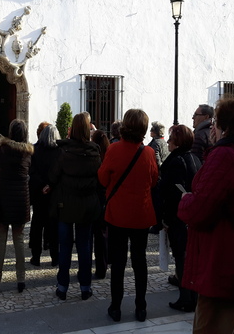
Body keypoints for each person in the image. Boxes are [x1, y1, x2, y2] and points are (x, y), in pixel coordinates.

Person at [178, 97, 234, 334]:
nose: (212, 128)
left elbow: (200, 211)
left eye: (216, 123)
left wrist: (186, 199)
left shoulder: (224, 155)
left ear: (226, 127)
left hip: (223, 264)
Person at [98, 109, 158, 323]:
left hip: (118, 214)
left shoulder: (114, 149)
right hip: (141, 214)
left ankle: (116, 307)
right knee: (140, 261)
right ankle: (141, 307)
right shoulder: (148, 152)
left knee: (118, 262)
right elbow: (154, 180)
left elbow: (103, 179)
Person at [50, 113, 101, 301]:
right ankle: (85, 287)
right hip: (86, 204)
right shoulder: (94, 151)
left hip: (66, 203)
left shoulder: (64, 151)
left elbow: (54, 176)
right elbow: (99, 176)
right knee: (84, 246)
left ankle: (62, 287)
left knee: (65, 247)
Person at [159, 124, 201, 312]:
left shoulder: (176, 162)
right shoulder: (195, 158)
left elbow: (169, 193)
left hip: (179, 216)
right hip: (192, 215)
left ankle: (186, 298)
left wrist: (165, 219)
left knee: (181, 257)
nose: (168, 142)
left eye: (171, 139)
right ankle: (193, 296)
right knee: (190, 256)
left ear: (177, 142)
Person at [0, 119, 33, 294]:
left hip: (2, 197)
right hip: (21, 199)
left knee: (1, 239)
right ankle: (21, 279)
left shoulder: (2, 148)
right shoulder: (28, 152)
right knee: (19, 239)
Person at [29, 124, 61, 267]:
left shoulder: (35, 150)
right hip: (54, 193)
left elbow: (32, 172)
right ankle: (55, 257)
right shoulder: (59, 151)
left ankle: (36, 256)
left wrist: (42, 185)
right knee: (53, 226)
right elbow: (59, 172)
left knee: (37, 224)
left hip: (38, 192)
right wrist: (50, 185)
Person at [91, 129, 110, 279]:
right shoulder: (109, 157)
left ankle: (100, 267)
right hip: (108, 199)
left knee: (98, 235)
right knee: (105, 234)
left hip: (96, 199)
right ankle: (105, 262)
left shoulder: (94, 158)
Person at [148, 121, 170, 234]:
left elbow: (156, 160)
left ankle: (156, 225)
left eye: (152, 129)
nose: (150, 131)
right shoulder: (163, 141)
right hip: (162, 175)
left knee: (156, 202)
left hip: (157, 177)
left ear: (155, 132)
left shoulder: (156, 143)